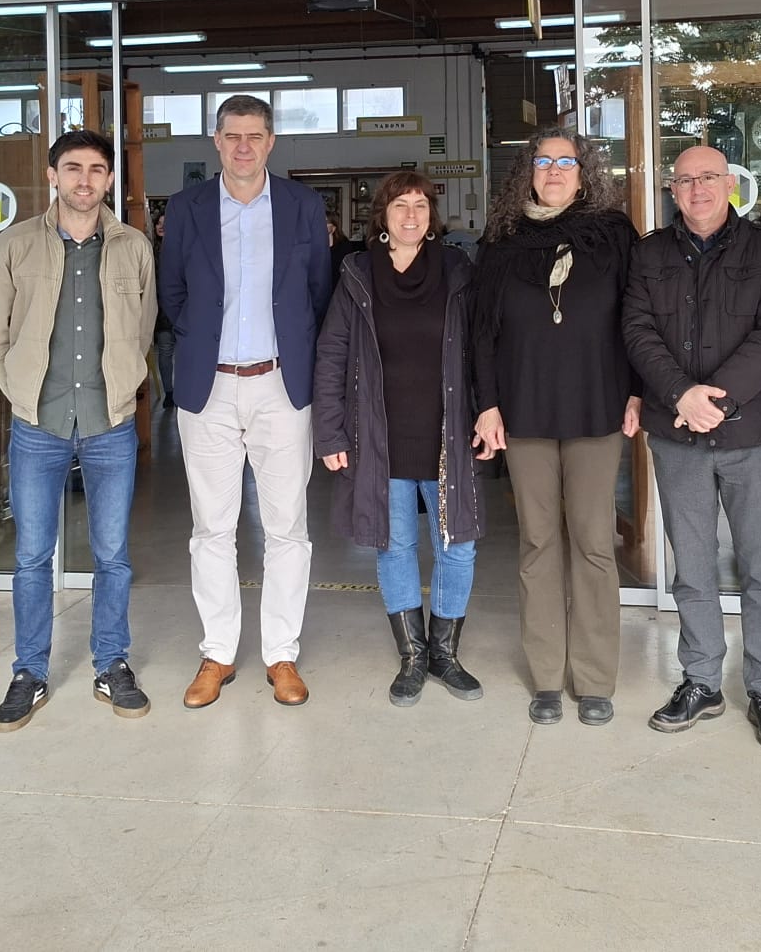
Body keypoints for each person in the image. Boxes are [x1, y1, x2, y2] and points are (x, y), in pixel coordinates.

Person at [0, 128, 157, 733]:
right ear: (52, 175)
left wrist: (128, 383)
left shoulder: (133, 246)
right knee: (31, 556)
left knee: (113, 555)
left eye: (96, 169)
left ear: (109, 179)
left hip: (109, 424)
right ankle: (29, 670)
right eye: (73, 168)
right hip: (38, 424)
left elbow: (145, 324)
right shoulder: (15, 244)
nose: (85, 179)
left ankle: (113, 663)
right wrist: (20, 391)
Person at [159, 94, 334, 708]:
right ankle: (218, 653)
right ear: (215, 140)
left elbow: (318, 295)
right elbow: (172, 294)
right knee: (212, 527)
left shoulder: (302, 206)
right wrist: (205, 348)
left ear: (271, 142)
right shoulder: (186, 209)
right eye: (232, 135)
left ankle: (281, 655)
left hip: (281, 385)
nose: (242, 146)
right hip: (209, 386)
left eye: (254, 135)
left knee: (287, 526)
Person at [623, 145, 761, 748]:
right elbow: (637, 331)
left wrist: (714, 401)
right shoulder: (647, 254)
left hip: (750, 431)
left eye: (708, 178)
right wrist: (681, 396)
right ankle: (701, 681)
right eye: (685, 180)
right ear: (672, 190)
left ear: (729, 184)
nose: (697, 188)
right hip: (678, 435)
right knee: (693, 569)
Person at [471, 127, 639, 726]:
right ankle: (546, 677)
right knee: (538, 542)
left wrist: (637, 391)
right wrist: (487, 404)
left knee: (593, 543)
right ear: (529, 173)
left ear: (584, 171)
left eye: (566, 161)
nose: (555, 170)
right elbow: (481, 331)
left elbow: (636, 318)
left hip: (597, 409)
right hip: (525, 413)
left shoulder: (613, 235)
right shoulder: (503, 240)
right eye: (543, 161)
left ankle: (594, 679)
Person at [314, 170, 490, 705]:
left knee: (456, 546)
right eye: (399, 206)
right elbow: (332, 356)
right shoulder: (357, 274)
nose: (411, 215)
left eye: (420, 205)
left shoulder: (458, 270)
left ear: (431, 216)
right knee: (394, 546)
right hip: (379, 436)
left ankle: (445, 653)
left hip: (448, 432)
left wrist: (490, 412)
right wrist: (329, 431)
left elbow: (483, 345)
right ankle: (413, 655)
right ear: (382, 218)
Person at [151, 212, 176, 408]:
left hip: (182, 310)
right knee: (165, 351)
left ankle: (183, 388)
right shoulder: (150, 250)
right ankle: (169, 392)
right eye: (158, 223)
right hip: (161, 311)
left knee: (185, 353)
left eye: (165, 223)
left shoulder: (181, 248)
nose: (161, 226)